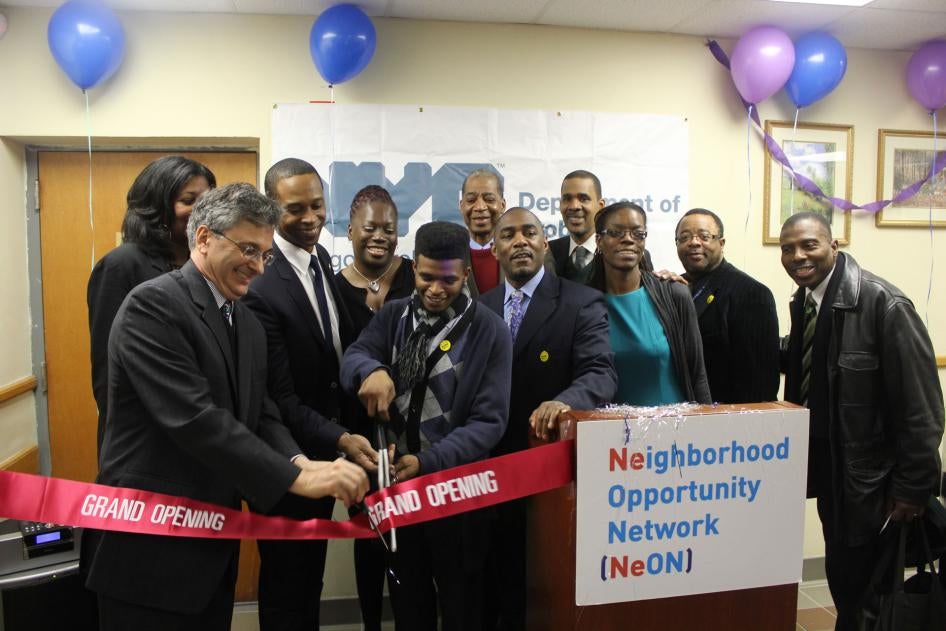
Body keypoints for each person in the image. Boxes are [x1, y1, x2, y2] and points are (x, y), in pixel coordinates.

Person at [82, 183, 368, 631]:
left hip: (212, 548)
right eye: (248, 249)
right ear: (203, 238)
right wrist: (296, 479)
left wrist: (299, 461)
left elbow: (261, 411)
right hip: (150, 554)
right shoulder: (153, 306)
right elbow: (197, 420)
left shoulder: (246, 321)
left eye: (265, 254)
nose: (258, 266)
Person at [341, 221, 512, 631]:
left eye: (448, 280)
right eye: (426, 277)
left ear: (465, 274)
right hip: (400, 496)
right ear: (413, 267)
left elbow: (489, 423)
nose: (435, 289)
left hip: (457, 496)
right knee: (409, 606)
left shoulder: (491, 330)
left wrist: (428, 462)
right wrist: (372, 370)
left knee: (462, 608)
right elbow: (354, 356)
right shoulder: (394, 315)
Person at [779, 211, 944, 631]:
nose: (798, 256)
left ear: (834, 246)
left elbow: (922, 409)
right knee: (848, 586)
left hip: (875, 487)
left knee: (868, 598)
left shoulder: (883, 304)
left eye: (809, 245)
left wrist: (912, 488)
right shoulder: (808, 302)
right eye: (788, 249)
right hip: (835, 477)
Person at [243, 158, 374, 631]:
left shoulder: (319, 259)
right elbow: (279, 399)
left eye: (317, 205)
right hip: (289, 460)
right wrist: (341, 439)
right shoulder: (260, 283)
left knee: (308, 584)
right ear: (270, 208)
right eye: (295, 209)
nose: (311, 218)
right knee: (288, 589)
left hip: (328, 451)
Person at [479, 208, 617, 631]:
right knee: (497, 584)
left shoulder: (581, 301)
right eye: (508, 235)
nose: (519, 241)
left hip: (550, 472)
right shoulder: (478, 308)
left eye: (529, 232)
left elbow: (601, 374)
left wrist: (563, 401)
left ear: (544, 242)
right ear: (495, 249)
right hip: (488, 472)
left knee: (545, 589)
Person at [87, 155, 215, 457]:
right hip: (145, 444)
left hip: (203, 432)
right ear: (156, 206)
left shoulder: (206, 264)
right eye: (189, 200)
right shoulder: (122, 265)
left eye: (208, 200)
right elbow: (108, 371)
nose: (202, 211)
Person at [335, 184, 414, 631]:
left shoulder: (416, 278)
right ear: (350, 231)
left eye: (389, 227)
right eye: (370, 228)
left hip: (415, 433)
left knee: (410, 543)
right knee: (368, 538)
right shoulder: (332, 288)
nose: (380, 236)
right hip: (358, 436)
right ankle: (370, 624)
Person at [587, 202, 710, 406]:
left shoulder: (674, 294)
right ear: (599, 241)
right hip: (608, 424)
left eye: (638, 233)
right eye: (616, 232)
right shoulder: (584, 303)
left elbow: (698, 375)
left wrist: (706, 420)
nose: (628, 239)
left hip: (674, 422)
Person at [674, 208, 779, 403]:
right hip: (680, 410)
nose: (694, 243)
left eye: (704, 236)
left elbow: (759, 386)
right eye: (685, 237)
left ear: (721, 243)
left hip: (726, 416)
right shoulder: (674, 288)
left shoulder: (751, 293)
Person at [549, 170, 652, 282]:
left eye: (583, 199)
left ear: (601, 206)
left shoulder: (632, 254)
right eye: (567, 199)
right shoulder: (548, 252)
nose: (574, 206)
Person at [460, 168, 506, 296]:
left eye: (489, 199)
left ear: (502, 205)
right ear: (461, 206)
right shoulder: (449, 255)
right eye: (471, 200)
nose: (480, 207)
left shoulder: (521, 252)